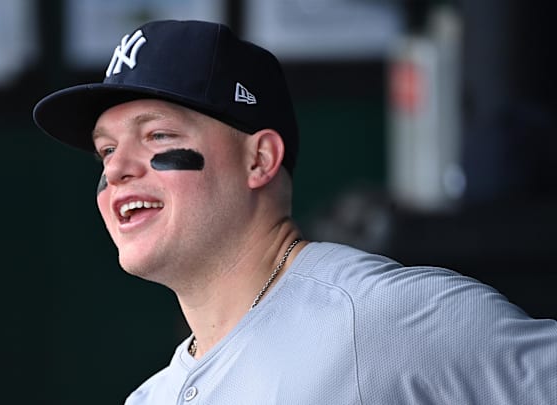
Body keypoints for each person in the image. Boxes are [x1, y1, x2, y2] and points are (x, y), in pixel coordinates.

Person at [33, 20, 557, 404]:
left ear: (259, 159)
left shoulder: (378, 318)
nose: (118, 168)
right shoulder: (152, 398)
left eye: (157, 136)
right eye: (105, 150)